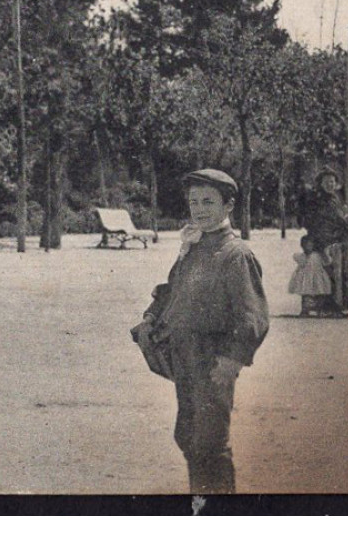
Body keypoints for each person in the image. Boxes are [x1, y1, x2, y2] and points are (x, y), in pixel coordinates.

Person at [132, 168, 270, 495]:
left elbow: (253, 316)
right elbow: (173, 290)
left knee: (210, 441)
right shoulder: (194, 246)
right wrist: (152, 316)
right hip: (185, 357)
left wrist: (231, 361)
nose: (200, 209)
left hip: (213, 361)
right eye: (194, 201)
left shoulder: (237, 255)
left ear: (228, 206)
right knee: (189, 435)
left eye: (209, 201)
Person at [303, 169, 348, 317]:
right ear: (321, 184)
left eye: (332, 181)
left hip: (339, 240)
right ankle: (331, 307)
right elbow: (316, 223)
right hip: (324, 241)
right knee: (334, 272)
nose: (330, 184)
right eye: (326, 182)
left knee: (344, 270)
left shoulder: (335, 199)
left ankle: (340, 305)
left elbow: (340, 219)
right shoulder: (318, 201)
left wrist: (346, 223)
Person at [288, 234, 332, 317]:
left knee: (320, 293)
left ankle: (320, 310)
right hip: (306, 279)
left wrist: (324, 253)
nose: (307, 247)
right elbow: (298, 259)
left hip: (318, 278)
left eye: (309, 245)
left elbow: (327, 261)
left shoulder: (317, 255)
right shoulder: (304, 256)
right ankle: (305, 310)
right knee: (306, 294)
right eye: (304, 245)